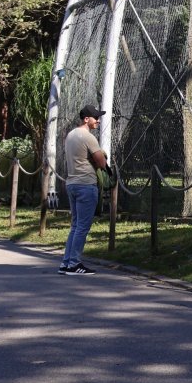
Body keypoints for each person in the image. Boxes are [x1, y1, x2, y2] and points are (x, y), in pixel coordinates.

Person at [60, 104, 109, 274]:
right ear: (86, 119)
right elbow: (101, 162)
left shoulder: (71, 135)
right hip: (86, 185)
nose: (98, 121)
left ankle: (66, 263)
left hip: (72, 183)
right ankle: (74, 264)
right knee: (82, 227)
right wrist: (103, 159)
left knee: (75, 226)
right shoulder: (88, 137)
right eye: (96, 118)